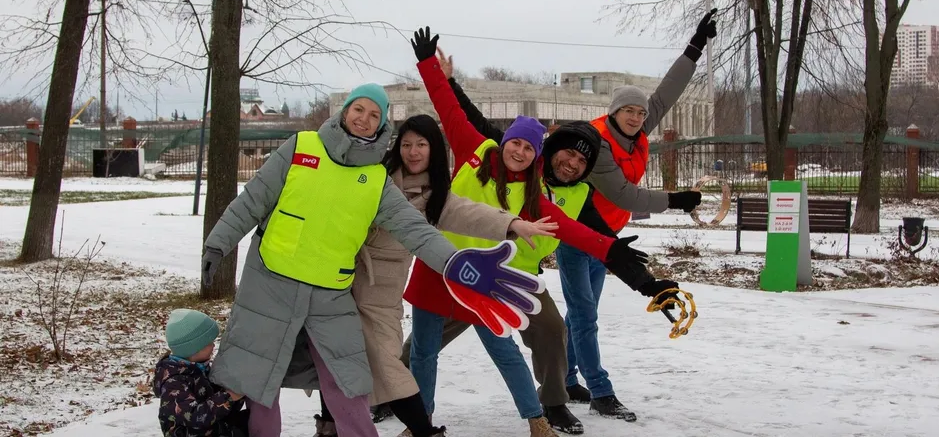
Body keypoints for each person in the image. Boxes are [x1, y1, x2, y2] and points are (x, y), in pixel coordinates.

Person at [200, 83, 539, 437]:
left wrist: (457, 264)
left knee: (347, 381)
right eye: (359, 109)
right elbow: (253, 199)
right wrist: (218, 244)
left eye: (374, 114)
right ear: (345, 110)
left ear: (381, 126)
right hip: (269, 281)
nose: (364, 118)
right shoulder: (301, 146)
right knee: (257, 379)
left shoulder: (376, 180)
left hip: (331, 293)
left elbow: (417, 231)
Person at [408, 48, 684, 434]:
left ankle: (552, 405)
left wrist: (645, 280)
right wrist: (437, 73)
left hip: (510, 279)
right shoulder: (492, 155)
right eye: (567, 155)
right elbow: (458, 114)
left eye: (581, 162)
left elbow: (590, 237)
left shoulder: (562, 196)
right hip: (453, 268)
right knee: (419, 348)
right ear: (548, 154)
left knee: (552, 330)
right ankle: (398, 396)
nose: (571, 164)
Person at [312, 114, 559, 437]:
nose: (414, 151)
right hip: (420, 274)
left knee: (503, 349)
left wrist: (512, 224)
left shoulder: (521, 189)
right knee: (416, 352)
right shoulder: (467, 161)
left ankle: (535, 419)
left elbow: (463, 212)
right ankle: (416, 424)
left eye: (422, 144)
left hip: (476, 273)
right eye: (407, 144)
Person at [552, 10, 718, 422]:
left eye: (641, 113)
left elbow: (667, 93)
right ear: (613, 111)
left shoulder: (640, 131)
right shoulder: (598, 143)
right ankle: (600, 391)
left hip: (608, 241)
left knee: (579, 313)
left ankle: (565, 377)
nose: (637, 116)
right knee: (585, 315)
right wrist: (677, 201)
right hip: (579, 235)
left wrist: (695, 47)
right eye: (629, 110)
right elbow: (624, 194)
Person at [153, 308, 249, 437]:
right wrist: (228, 397)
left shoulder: (198, 368)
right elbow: (194, 417)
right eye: (209, 343)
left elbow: (215, 400)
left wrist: (235, 391)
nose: (213, 346)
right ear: (193, 349)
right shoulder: (173, 382)